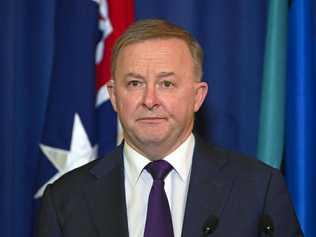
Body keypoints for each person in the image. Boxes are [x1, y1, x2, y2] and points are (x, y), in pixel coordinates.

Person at [36, 19, 303, 237]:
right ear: (114, 97)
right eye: (134, 84)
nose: (150, 100)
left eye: (167, 84)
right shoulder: (64, 199)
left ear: (197, 96)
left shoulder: (258, 189)